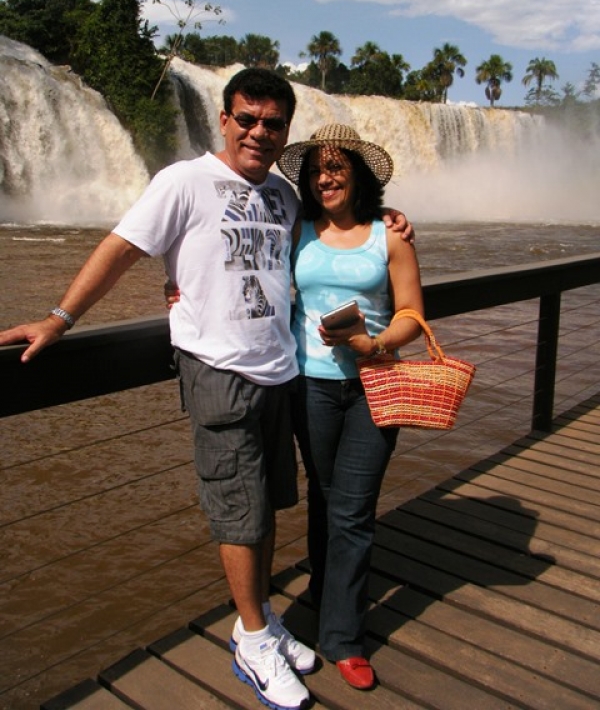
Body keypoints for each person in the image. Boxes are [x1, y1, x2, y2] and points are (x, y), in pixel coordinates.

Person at [0, 70, 413, 710]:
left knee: (267, 505)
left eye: (273, 123)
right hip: (218, 370)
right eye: (247, 118)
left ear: (284, 133)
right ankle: (251, 639)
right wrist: (59, 318)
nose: (258, 131)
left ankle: (264, 621)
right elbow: (120, 247)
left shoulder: (283, 195)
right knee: (237, 510)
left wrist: (384, 216)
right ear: (223, 119)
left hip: (280, 372)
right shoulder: (182, 181)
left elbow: (336, 234)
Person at [277, 124, 424, 690]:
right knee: (324, 495)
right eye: (316, 169)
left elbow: (411, 313)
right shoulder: (299, 231)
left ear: (357, 175)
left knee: (353, 509)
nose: (325, 178)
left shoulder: (390, 236)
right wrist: (178, 284)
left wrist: (377, 344)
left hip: (373, 386)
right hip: (309, 385)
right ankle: (325, 587)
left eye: (336, 167)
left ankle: (342, 637)